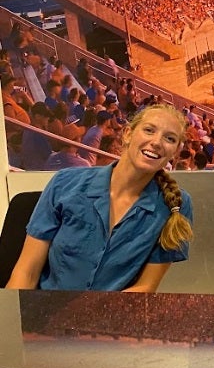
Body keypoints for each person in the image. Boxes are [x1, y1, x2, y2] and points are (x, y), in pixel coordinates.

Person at [6, 104, 194, 292]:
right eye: (149, 130)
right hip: (46, 312)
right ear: (128, 134)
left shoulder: (177, 206)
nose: (157, 142)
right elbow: (27, 272)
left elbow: (145, 287)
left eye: (169, 138)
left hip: (111, 315)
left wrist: (93, 317)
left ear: (175, 151)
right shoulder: (64, 183)